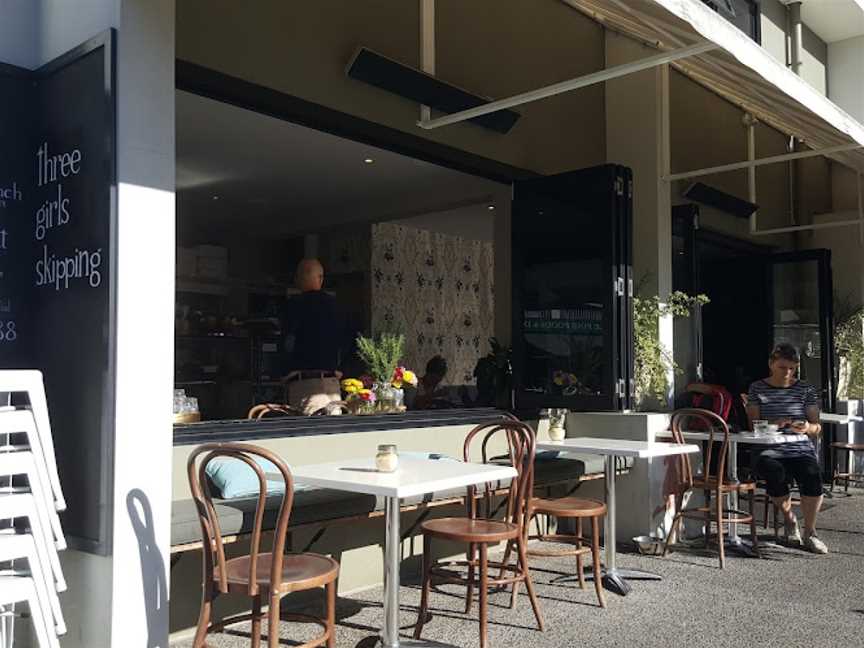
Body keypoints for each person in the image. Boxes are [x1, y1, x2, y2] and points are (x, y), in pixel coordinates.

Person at [745, 343, 827, 554]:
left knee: (812, 474)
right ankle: (790, 520)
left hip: (799, 447)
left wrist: (808, 427)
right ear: (771, 364)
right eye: (783, 367)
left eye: (792, 368)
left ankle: (810, 531)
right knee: (774, 471)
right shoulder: (757, 388)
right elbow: (753, 424)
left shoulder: (805, 389)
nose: (787, 372)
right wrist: (775, 423)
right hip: (768, 447)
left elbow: (817, 427)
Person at [281, 258, 351, 372]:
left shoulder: (294, 305)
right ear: (321, 279)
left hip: (301, 377)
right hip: (330, 376)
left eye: (298, 276)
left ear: (302, 277)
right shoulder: (336, 306)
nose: (296, 280)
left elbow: (288, 342)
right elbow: (348, 341)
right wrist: (342, 369)